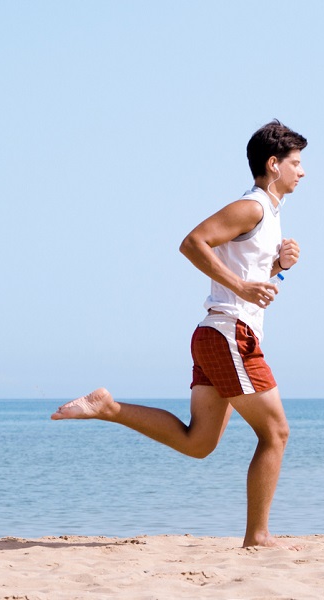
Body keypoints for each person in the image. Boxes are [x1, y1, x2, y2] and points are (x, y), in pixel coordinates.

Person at [51, 119, 307, 548]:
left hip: (217, 333)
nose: (303, 171)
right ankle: (258, 536)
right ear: (273, 164)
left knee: (199, 442)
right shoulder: (253, 206)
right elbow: (192, 243)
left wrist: (277, 269)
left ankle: (108, 407)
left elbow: (248, 279)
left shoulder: (270, 216)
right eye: (296, 163)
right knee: (276, 433)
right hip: (230, 334)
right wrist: (243, 286)